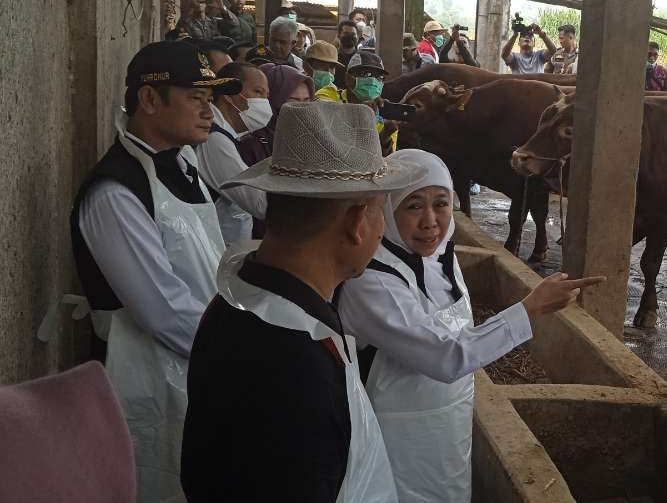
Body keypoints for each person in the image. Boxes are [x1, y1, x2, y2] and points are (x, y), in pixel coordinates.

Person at [182, 101, 424, 503]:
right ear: (357, 223)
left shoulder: (238, 301)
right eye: (383, 213)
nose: (384, 231)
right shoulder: (296, 363)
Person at [337, 149, 604, 503]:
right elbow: (447, 357)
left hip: (451, 426)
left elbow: (458, 339)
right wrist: (530, 308)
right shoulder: (371, 280)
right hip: (394, 436)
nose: (430, 221)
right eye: (413, 205)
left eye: (441, 203)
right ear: (386, 208)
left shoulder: (441, 256)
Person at [70, 40, 240, 501]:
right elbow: (164, 310)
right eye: (196, 99)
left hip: (199, 364)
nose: (210, 113)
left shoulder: (182, 167)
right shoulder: (115, 192)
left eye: (211, 100)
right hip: (145, 380)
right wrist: (240, 356)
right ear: (148, 99)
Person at [195, 62, 270, 245]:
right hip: (218, 252)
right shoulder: (214, 139)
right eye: (258, 92)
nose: (264, 102)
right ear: (229, 96)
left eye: (267, 96)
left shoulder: (227, 135)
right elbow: (260, 203)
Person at [317, 51, 397, 155]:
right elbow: (325, 128)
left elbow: (384, 161)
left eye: (379, 77)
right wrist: (357, 112)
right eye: (365, 74)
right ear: (347, 78)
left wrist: (385, 135)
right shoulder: (328, 95)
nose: (372, 81)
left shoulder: (385, 115)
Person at [237, 63, 315, 169]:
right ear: (273, 101)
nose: (301, 108)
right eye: (292, 101)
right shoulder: (252, 145)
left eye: (306, 101)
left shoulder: (312, 137)